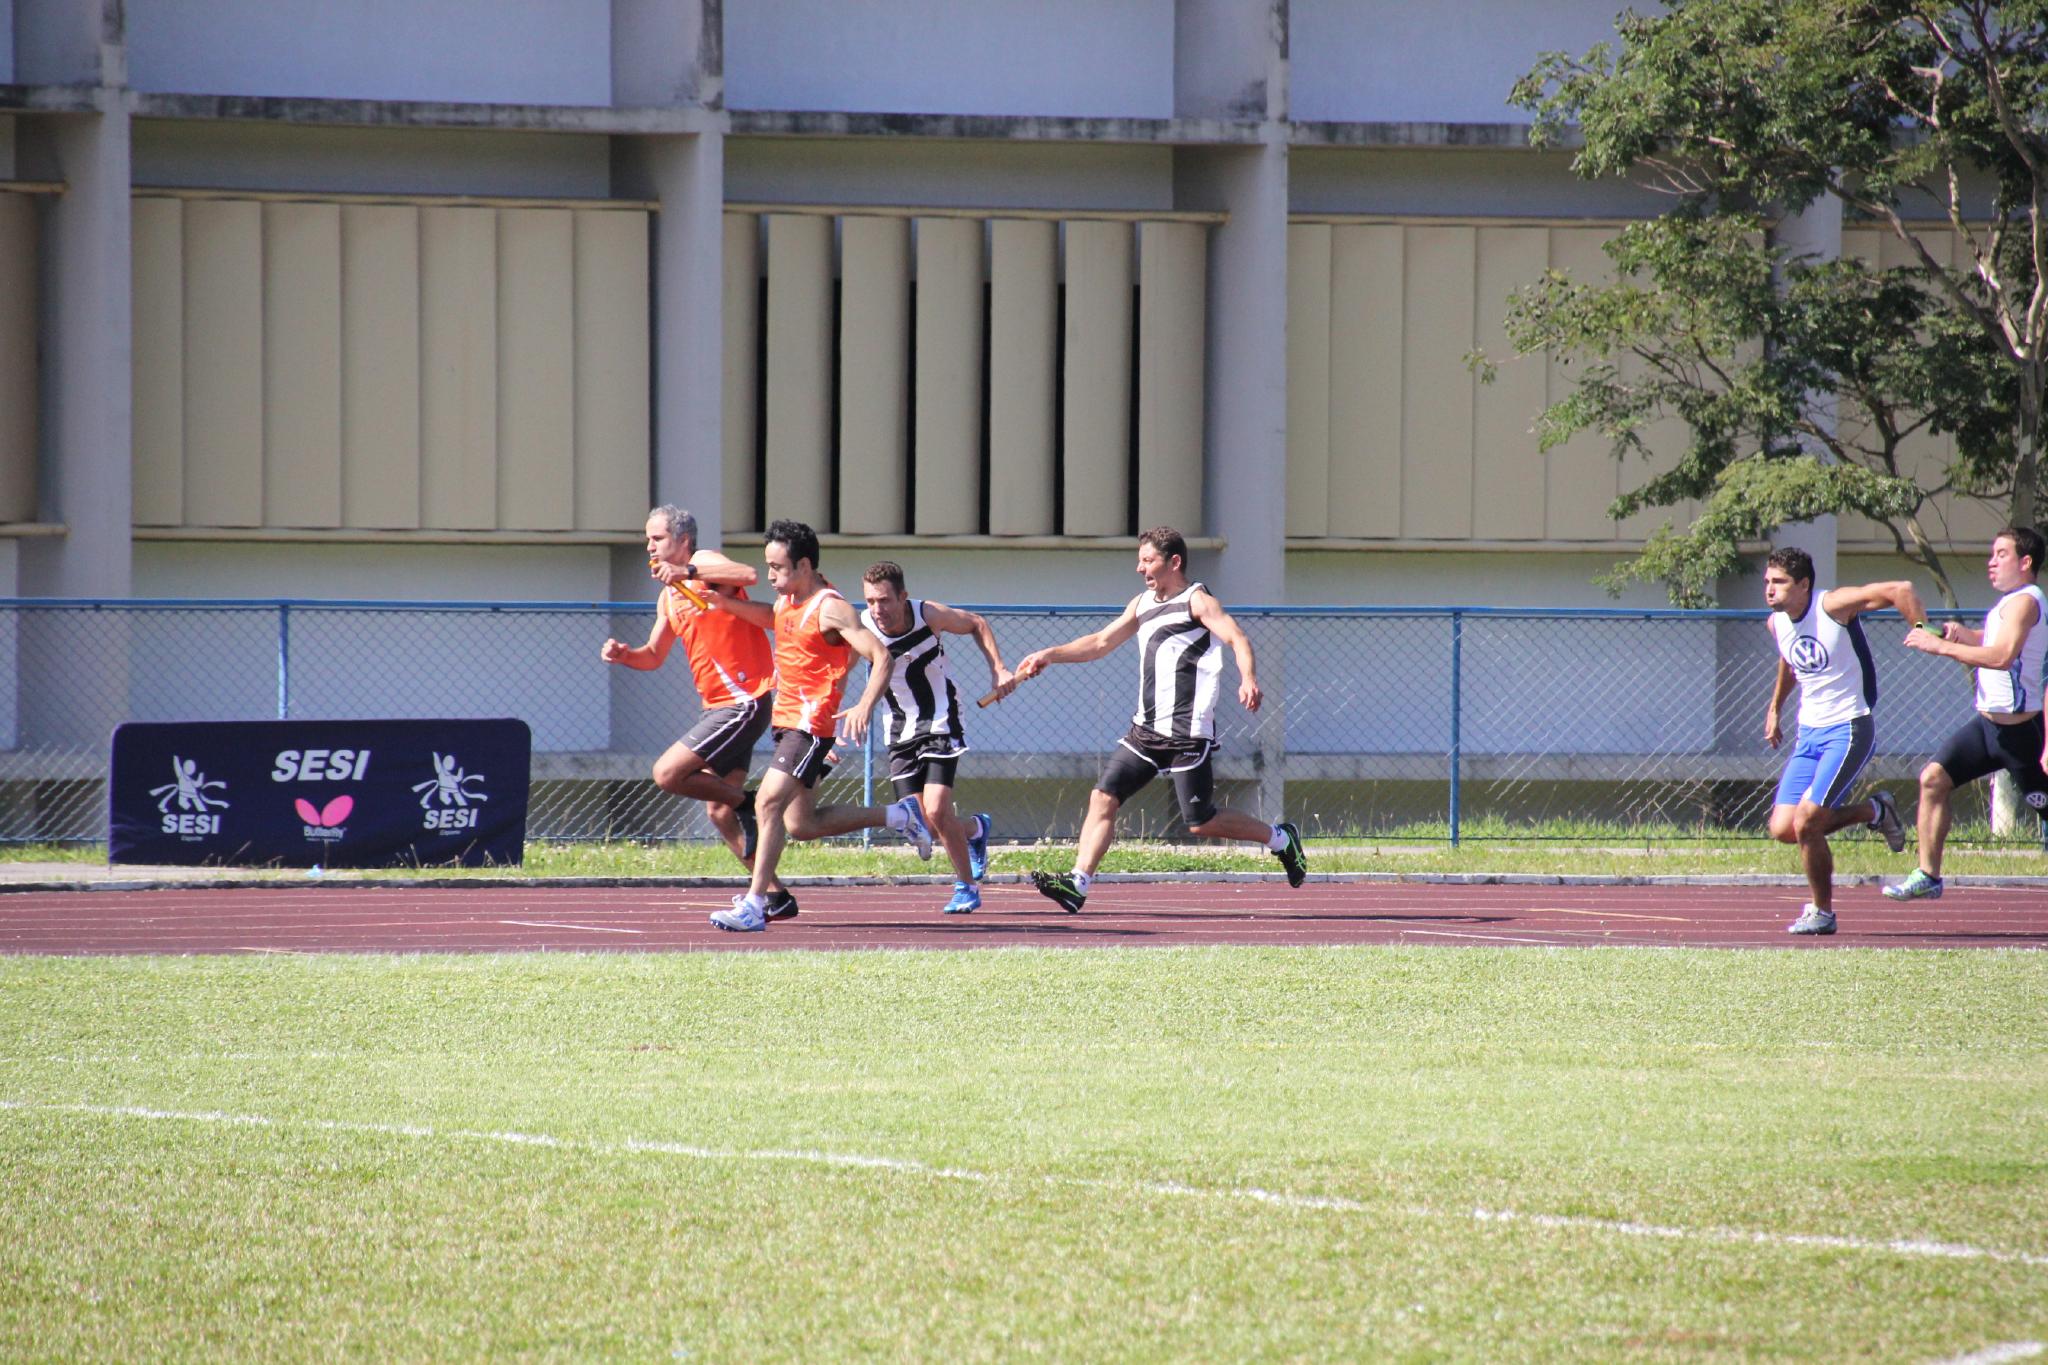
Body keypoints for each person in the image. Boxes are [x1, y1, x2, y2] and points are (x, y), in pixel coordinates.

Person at [1011, 526, 1307, 912]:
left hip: (1187, 732)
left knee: (1200, 821)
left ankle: (1281, 839)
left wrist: (1248, 678)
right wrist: (1049, 654)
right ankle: (1078, 883)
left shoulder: (1196, 600)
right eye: (1140, 560)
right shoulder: (1141, 604)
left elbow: (1237, 638)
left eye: (1148, 560)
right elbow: (1100, 642)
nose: (1140, 568)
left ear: (1174, 562)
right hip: (1146, 731)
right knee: (1103, 796)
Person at [699, 520, 934, 932]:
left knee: (766, 802)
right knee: (801, 825)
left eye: (777, 567)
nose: (769, 575)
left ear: (804, 565)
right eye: (768, 566)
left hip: (809, 726)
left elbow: (882, 656)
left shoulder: (830, 607)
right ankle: (900, 816)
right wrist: (723, 604)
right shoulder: (787, 600)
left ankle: (756, 904)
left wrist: (863, 705)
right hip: (786, 721)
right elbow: (771, 618)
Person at [600, 505, 797, 919]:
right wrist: (625, 655)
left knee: (667, 773)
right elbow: (654, 655)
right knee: (718, 811)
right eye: (648, 539)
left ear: (683, 540)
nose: (649, 546)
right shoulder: (668, 596)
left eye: (657, 538)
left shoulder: (704, 563)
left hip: (744, 700)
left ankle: (749, 802)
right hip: (718, 707)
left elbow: (748, 575)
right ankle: (775, 896)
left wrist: (687, 571)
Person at [1760, 546, 1920, 935]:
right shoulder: (1776, 623)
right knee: (1784, 828)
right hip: (1809, 734)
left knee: (1808, 822)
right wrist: (1775, 707)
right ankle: (1874, 811)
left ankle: (1822, 913)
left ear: (1803, 585)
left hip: (1849, 728)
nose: (1770, 589)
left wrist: (1923, 630)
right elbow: (1790, 662)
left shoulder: (1832, 605)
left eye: (1779, 582)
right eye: (1767, 581)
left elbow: (1901, 589)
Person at [1887, 526, 2048, 900]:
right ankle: (1928, 875)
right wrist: (1961, 634)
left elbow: (2002, 657)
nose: (1991, 562)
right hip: (1986, 726)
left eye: (2001, 555)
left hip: (2020, 734)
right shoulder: (2008, 603)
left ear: (2026, 562)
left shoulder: (2026, 601)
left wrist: (1939, 648)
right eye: (1992, 554)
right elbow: (1992, 643)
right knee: (1933, 779)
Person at [858, 561, 1014, 914]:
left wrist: (998, 669)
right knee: (925, 824)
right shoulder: (863, 627)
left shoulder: (927, 614)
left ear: (903, 596)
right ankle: (975, 829)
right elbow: (837, 671)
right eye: (870, 601)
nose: (877, 609)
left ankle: (966, 888)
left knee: (936, 809)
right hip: (899, 729)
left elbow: (977, 623)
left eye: (884, 600)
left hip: (941, 718)